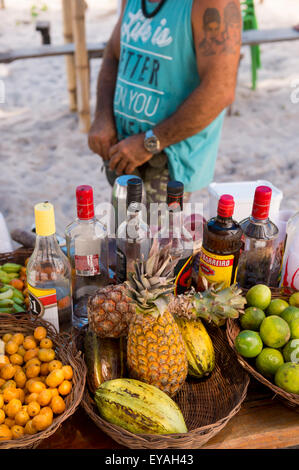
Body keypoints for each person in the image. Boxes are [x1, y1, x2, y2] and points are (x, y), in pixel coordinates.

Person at [88, 0, 241, 204]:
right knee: (123, 231)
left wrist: (149, 142)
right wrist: (103, 116)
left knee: (160, 234)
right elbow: (114, 53)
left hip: (169, 158)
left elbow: (220, 90)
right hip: (123, 148)